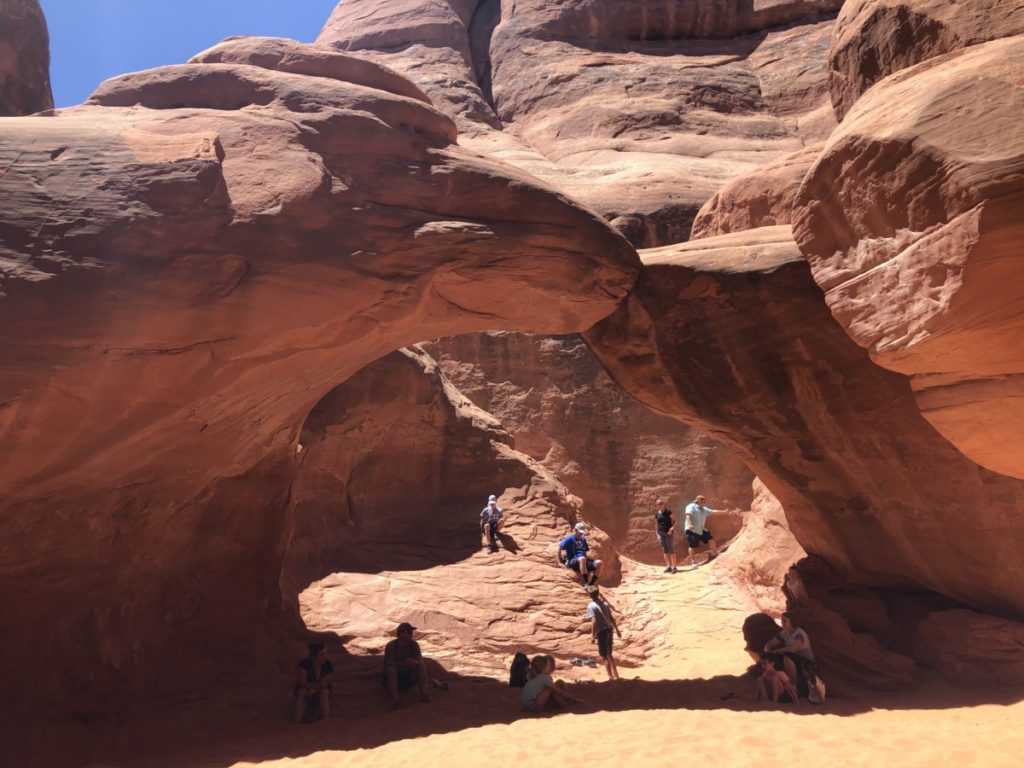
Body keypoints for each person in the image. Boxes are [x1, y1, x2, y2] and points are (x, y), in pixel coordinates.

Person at [763, 612, 816, 691]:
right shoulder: (784, 633)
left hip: (807, 662)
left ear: (792, 622)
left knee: (787, 657)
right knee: (772, 660)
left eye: (785, 621)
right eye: (781, 620)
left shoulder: (799, 634)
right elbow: (769, 644)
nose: (782, 623)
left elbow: (793, 649)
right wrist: (768, 651)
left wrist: (776, 651)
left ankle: (793, 686)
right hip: (795, 660)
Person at [382, 622, 430, 709]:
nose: (411, 634)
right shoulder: (391, 646)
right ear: (401, 634)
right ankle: (396, 700)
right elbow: (388, 663)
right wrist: (405, 663)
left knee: (421, 666)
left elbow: (419, 660)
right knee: (391, 670)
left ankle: (423, 694)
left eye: (410, 632)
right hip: (395, 678)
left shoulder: (414, 644)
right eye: (409, 632)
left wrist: (414, 662)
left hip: (408, 676)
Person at [586, 586, 621, 680]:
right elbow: (611, 617)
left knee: (604, 655)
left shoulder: (591, 606)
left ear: (589, 595)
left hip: (602, 632)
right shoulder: (605, 604)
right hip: (610, 630)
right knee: (609, 654)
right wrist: (617, 630)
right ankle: (616, 675)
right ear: (598, 593)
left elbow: (594, 620)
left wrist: (592, 635)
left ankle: (610, 677)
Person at [293, 643, 333, 723]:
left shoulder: (328, 665)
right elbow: (302, 683)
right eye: (322, 654)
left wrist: (314, 689)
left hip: (320, 689)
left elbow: (324, 683)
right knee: (301, 692)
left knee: (324, 692)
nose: (325, 656)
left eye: (326, 653)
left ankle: (325, 721)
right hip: (306, 689)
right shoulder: (304, 664)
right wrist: (312, 687)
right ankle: (297, 721)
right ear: (314, 656)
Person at [683, 493, 720, 567]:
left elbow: (713, 511)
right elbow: (688, 515)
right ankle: (693, 562)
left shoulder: (704, 509)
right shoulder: (691, 506)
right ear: (698, 501)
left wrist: (725, 511)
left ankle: (715, 553)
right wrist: (690, 524)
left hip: (701, 529)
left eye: (704, 502)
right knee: (692, 546)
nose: (704, 503)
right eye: (703, 502)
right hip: (692, 530)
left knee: (711, 539)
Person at [654, 498, 678, 573]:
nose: (660, 505)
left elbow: (675, 521)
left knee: (670, 549)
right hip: (661, 534)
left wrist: (671, 529)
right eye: (658, 504)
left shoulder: (668, 512)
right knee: (665, 550)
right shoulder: (657, 514)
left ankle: (674, 567)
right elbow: (656, 525)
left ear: (663, 504)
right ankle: (669, 566)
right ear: (656, 505)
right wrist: (657, 534)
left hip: (668, 533)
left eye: (661, 503)